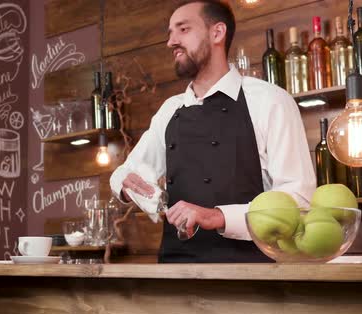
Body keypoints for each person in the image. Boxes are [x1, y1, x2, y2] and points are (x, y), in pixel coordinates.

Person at [110, 0, 315, 263]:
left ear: (217, 33)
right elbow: (123, 175)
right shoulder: (169, 110)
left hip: (251, 277)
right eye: (170, 33)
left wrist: (217, 216)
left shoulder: (270, 101)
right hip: (174, 274)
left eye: (182, 29)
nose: (171, 42)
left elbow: (298, 201)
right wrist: (133, 189)